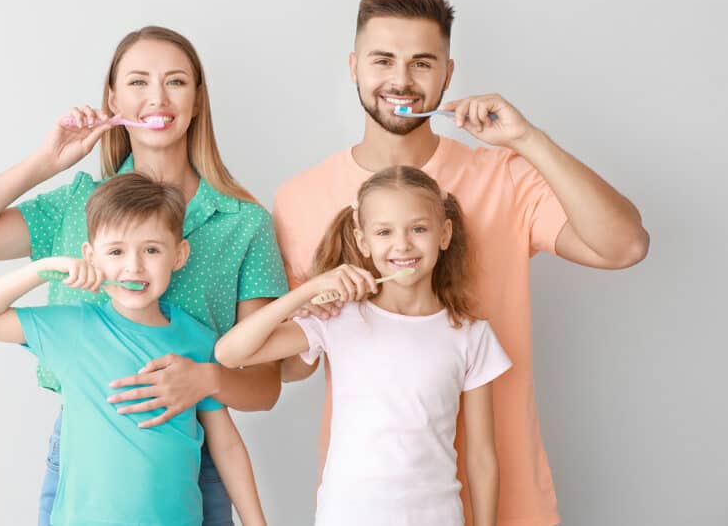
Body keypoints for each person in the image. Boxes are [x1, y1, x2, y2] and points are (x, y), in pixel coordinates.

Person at [273, 0, 649, 526]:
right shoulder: (300, 198)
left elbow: (626, 246)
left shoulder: (503, 177)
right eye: (383, 60)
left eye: (423, 63)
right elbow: (291, 368)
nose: (401, 79)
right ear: (354, 66)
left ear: (448, 74)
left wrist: (527, 140)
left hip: (511, 502)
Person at [0, 26, 288, 525]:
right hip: (87, 465)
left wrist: (204, 379)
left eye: (176, 82)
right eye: (138, 82)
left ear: (198, 100)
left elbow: (265, 388)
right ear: (112, 99)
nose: (157, 96)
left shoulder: (245, 224)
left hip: (194, 464)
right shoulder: (77, 206)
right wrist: (44, 162)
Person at [0, 173, 266, 526]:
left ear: (178, 255)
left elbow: (225, 444)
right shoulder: (71, 328)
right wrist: (41, 270)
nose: (134, 266)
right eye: (116, 251)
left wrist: (257, 522)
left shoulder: (198, 340)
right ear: (91, 256)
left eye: (151, 250)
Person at [217, 166, 509, 525]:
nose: (402, 244)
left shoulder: (470, 335)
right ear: (362, 239)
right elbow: (230, 353)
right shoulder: (338, 319)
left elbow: (482, 458)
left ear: (444, 234)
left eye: (418, 229)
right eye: (384, 232)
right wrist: (308, 291)